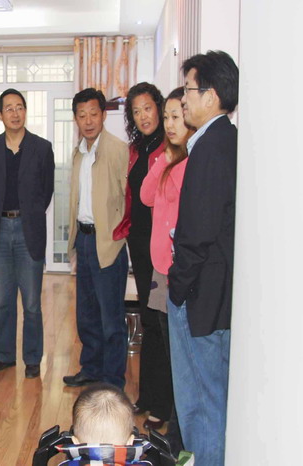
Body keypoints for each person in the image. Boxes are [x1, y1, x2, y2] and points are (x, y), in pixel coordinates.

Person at [167, 51, 238, 466]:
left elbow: (198, 230)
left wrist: (177, 286)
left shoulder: (210, 147)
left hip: (200, 296)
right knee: (212, 396)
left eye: (189, 90)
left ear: (211, 96)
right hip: (217, 293)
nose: (184, 99)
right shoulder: (226, 139)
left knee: (201, 403)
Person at [0, 89, 54, 379]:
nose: (15, 113)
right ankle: (5, 355)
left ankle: (33, 358)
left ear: (26, 111)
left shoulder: (42, 147)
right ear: (0, 115)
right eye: (9, 108)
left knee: (32, 303)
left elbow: (46, 191)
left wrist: (30, 215)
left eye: (19, 107)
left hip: (28, 231)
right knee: (2, 300)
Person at [63, 88, 129, 389]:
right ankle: (90, 368)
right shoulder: (78, 152)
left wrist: (118, 233)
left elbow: (128, 198)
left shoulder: (118, 149)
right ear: (76, 119)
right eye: (82, 115)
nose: (88, 121)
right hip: (84, 239)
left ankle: (112, 380)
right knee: (86, 313)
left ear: (103, 115)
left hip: (108, 242)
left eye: (93, 114)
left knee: (111, 317)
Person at [140, 86, 194, 452]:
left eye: (177, 117)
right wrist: (164, 158)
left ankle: (177, 433)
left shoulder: (194, 163)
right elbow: (146, 195)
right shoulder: (165, 159)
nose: (170, 124)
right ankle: (171, 426)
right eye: (168, 117)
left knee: (180, 355)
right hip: (160, 269)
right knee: (164, 344)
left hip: (179, 271)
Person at [121, 82, 173, 431]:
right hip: (139, 245)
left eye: (148, 108)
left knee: (160, 323)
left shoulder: (171, 147)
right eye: (136, 111)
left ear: (160, 107)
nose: (143, 116)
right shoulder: (137, 149)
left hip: (160, 248)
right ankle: (148, 396)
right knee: (149, 319)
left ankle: (163, 404)